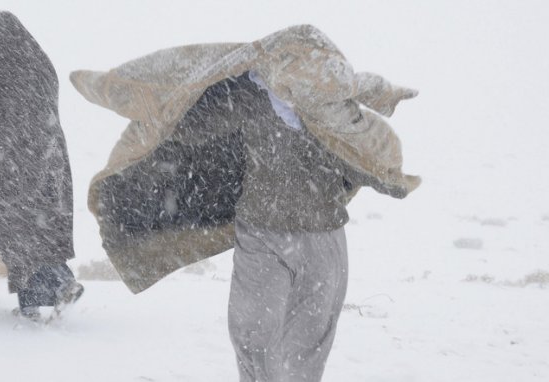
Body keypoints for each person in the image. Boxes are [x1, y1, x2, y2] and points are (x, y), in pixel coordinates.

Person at [71, 25, 419, 381]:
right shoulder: (252, 96)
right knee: (252, 327)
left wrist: (386, 177)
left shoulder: (336, 114)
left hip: (322, 236)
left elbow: (367, 155)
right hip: (260, 232)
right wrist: (164, 113)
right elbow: (192, 121)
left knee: (310, 336)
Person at [0, 11, 83, 320]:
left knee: (16, 228)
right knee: (41, 224)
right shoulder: (41, 62)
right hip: (50, 161)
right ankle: (32, 304)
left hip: (11, 160)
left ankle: (61, 282)